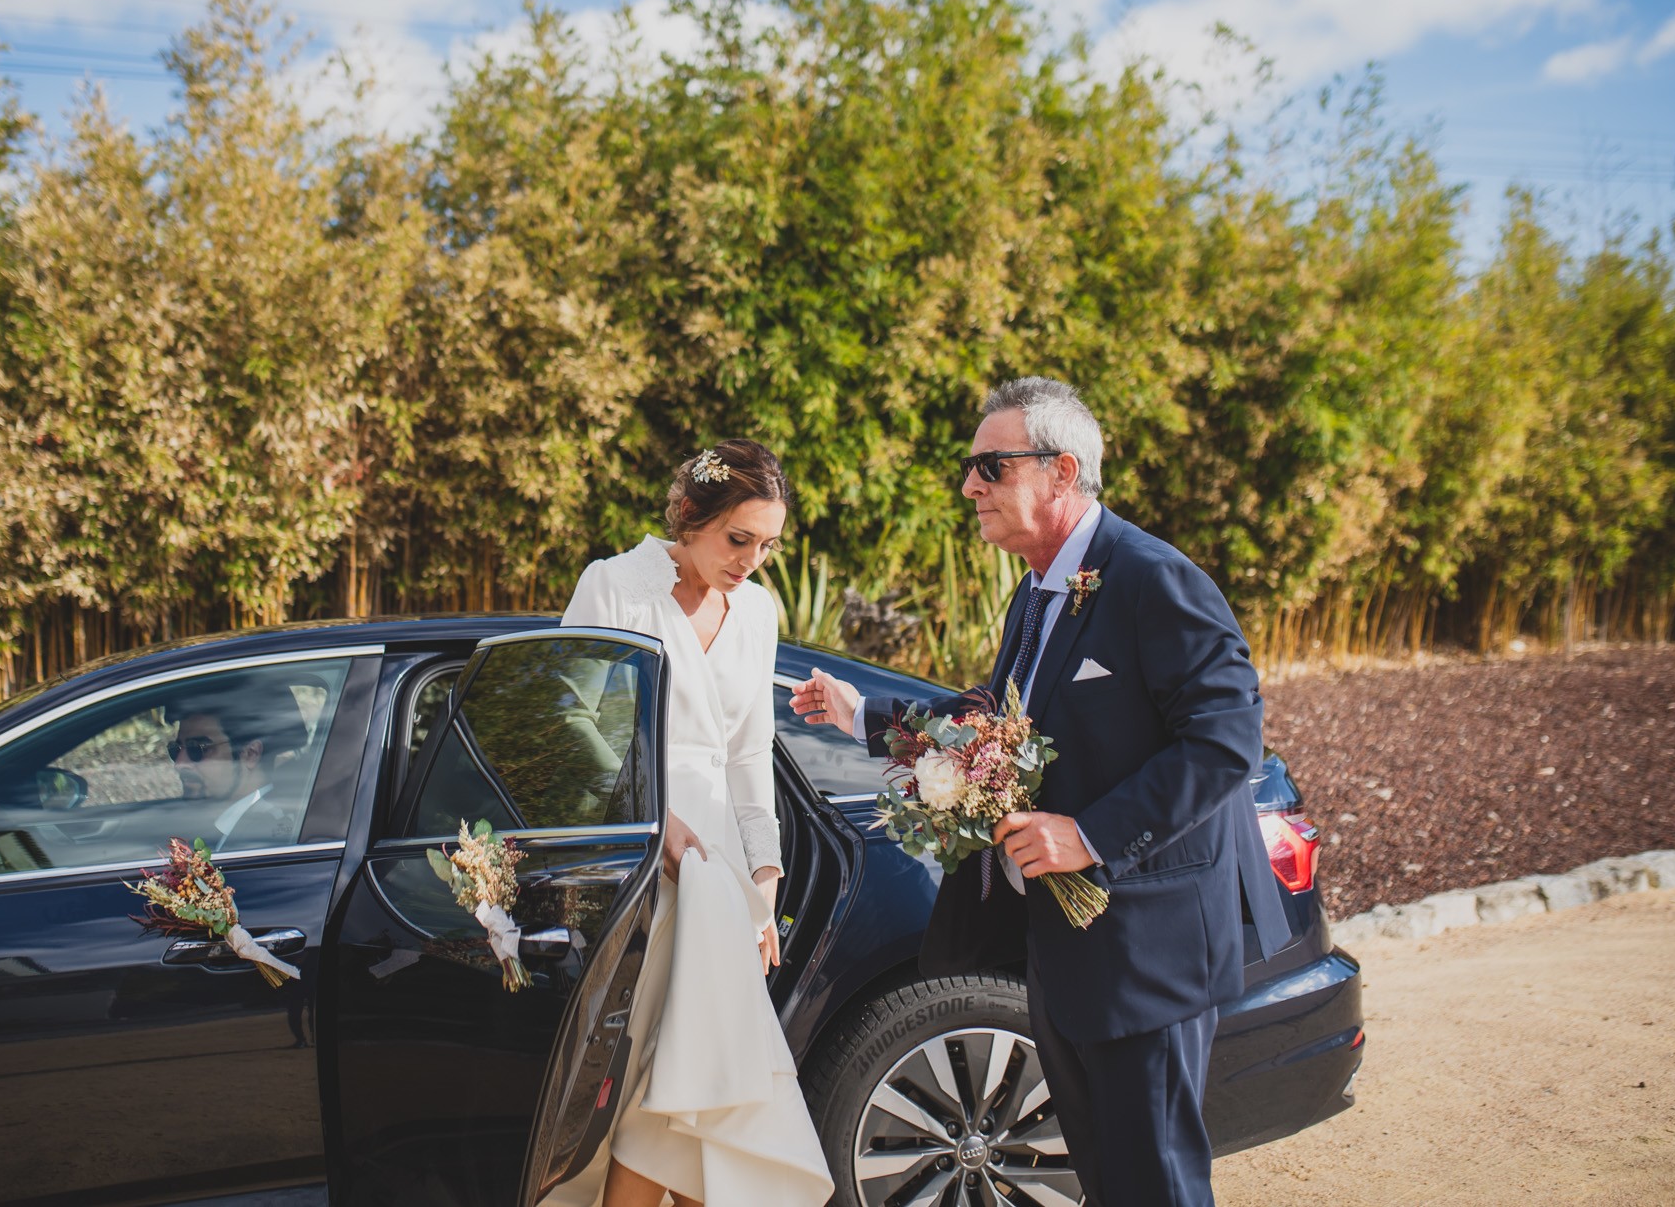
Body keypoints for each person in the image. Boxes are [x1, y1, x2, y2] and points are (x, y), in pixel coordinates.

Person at [791, 377, 1290, 1207]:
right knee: (1106, 1180)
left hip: (1148, 950)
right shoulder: (1038, 588)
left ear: (1062, 472)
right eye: (971, 466)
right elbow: (1001, 724)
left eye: (990, 464)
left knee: (1155, 1185)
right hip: (1063, 951)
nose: (969, 485)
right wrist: (863, 717)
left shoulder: (1153, 579)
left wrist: (1087, 835)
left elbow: (1227, 741)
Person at [551, 440, 832, 1207]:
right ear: (688, 515)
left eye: (767, 545)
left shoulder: (759, 611)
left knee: (701, 1086)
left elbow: (749, 759)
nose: (751, 561)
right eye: (737, 538)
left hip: (723, 880)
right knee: (633, 1078)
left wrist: (764, 889)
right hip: (636, 863)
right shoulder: (613, 585)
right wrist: (653, 820)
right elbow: (565, 721)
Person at [165, 681, 307, 850]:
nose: (180, 764)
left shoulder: (266, 838)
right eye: (175, 750)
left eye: (197, 749)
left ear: (250, 754)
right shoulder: (232, 824)